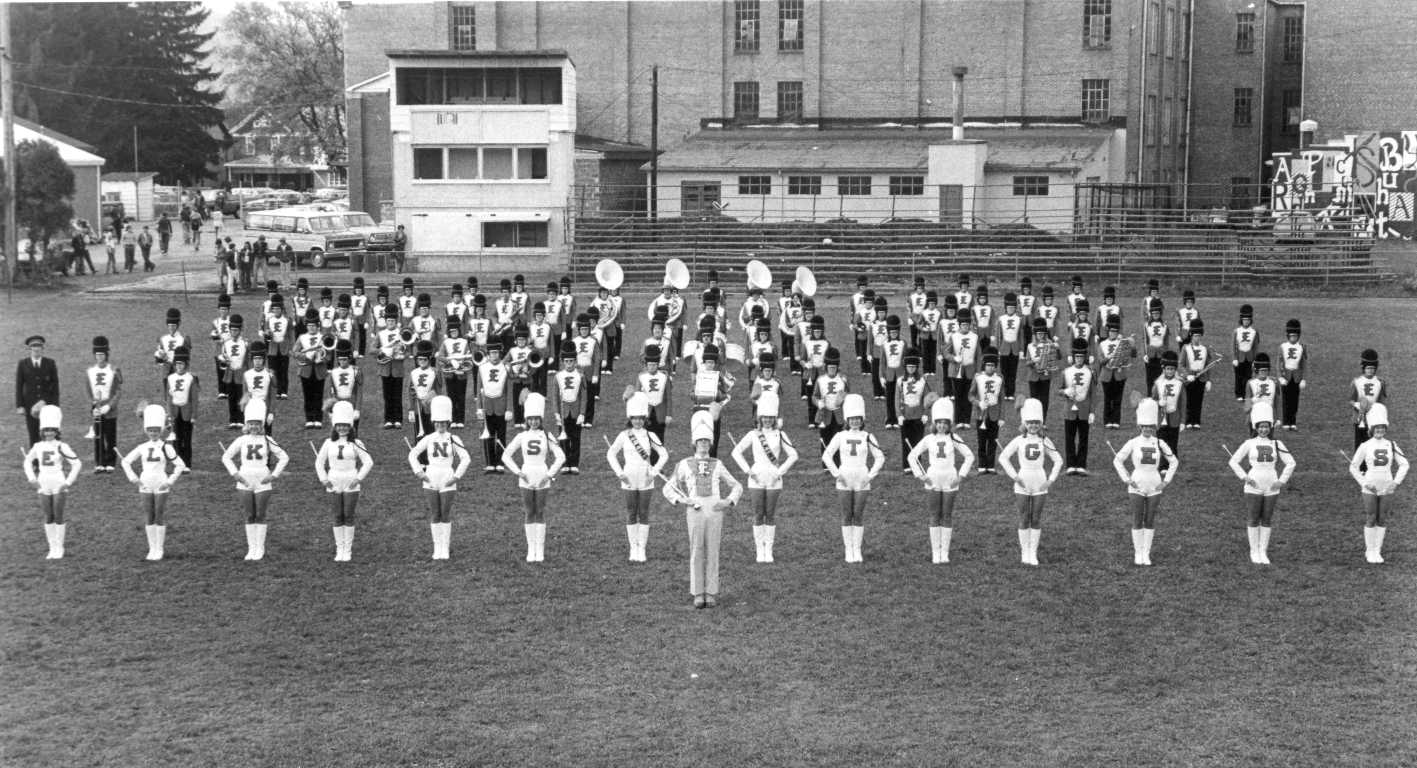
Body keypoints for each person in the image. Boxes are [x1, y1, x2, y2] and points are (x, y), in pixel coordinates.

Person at [662, 411, 743, 609]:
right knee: (696, 550)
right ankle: (698, 592)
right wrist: (682, 500)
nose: (704, 445)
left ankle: (711, 592)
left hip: (715, 509)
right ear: (694, 443)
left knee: (713, 551)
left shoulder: (718, 464)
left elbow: (737, 486)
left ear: (711, 443)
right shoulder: (684, 464)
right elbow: (667, 488)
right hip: (695, 510)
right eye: (700, 441)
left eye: (707, 441)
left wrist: (728, 501)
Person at [730, 391, 799, 563]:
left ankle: (769, 549)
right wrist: (748, 470)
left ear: (774, 418)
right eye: (764, 417)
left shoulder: (780, 434)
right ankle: (759, 550)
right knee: (758, 514)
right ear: (759, 418)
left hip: (774, 478)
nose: (767, 420)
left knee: (770, 514)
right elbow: (736, 452)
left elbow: (794, 455)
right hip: (756, 477)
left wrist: (779, 472)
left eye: (770, 417)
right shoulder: (753, 434)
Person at [907, 396, 975, 563]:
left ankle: (944, 551)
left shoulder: (954, 438)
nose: (942, 425)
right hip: (933, 479)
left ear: (949, 424)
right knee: (934, 515)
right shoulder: (929, 439)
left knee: (947, 515)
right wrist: (921, 475)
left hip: (950, 478)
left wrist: (960, 476)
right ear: (934, 423)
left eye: (945, 422)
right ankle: (935, 551)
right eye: (939, 422)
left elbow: (969, 456)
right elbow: (912, 456)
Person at [220, 399, 289, 561]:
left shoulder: (267, 440)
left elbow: (284, 457)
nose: (254, 427)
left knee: (260, 515)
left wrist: (273, 475)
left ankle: (260, 547)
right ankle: (251, 548)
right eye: (251, 424)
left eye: (257, 424)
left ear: (262, 424)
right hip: (244, 479)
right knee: (250, 515)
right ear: (246, 424)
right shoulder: (241, 440)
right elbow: (226, 457)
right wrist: (235, 474)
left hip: (262, 479)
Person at [1226, 402, 1294, 565]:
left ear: (1270, 427)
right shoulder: (1249, 443)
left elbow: (1291, 463)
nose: (1263, 429)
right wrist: (1244, 477)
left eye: (1266, 427)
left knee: (1267, 518)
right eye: (1261, 427)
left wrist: (1281, 481)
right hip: (1254, 485)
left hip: (1271, 485)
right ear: (1256, 428)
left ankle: (1263, 550)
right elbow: (1233, 461)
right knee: (1253, 518)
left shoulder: (1277, 444)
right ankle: (1253, 550)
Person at [1112, 398, 1178, 566]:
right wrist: (1127, 479)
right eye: (1145, 426)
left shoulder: (1159, 442)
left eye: (1150, 426)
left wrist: (1166, 481)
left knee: (1149, 520)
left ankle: (1146, 553)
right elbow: (1117, 460)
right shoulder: (1133, 442)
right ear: (1140, 426)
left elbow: (1174, 462)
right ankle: (1137, 552)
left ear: (1154, 427)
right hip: (1137, 483)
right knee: (1137, 519)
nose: (1148, 429)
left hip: (1155, 483)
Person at [502, 393, 567, 562]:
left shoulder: (547, 435)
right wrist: (518, 472)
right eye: (530, 419)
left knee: (540, 511)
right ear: (526, 419)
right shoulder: (521, 436)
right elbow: (506, 456)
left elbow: (561, 457)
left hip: (542, 475)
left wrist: (549, 474)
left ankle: (540, 548)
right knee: (529, 511)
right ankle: (531, 548)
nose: (533, 422)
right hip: (526, 475)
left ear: (541, 419)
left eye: (536, 419)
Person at [998, 398, 1063, 565]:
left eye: (1036, 422)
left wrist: (1050, 480)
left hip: (1040, 481)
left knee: (1036, 518)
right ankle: (1024, 551)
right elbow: (1003, 457)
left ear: (1040, 423)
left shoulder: (1044, 440)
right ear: (1024, 423)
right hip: (1023, 482)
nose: (1033, 425)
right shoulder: (1019, 440)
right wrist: (1014, 476)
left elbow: (1058, 460)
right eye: (1030, 422)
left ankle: (1033, 551)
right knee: (1024, 517)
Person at [821, 393, 885, 563]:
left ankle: (857, 549)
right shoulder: (840, 436)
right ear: (847, 420)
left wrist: (870, 476)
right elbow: (827, 456)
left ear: (862, 419)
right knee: (846, 514)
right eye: (852, 418)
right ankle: (848, 549)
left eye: (858, 418)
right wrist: (836, 474)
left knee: (858, 514)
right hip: (844, 478)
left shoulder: (868, 436)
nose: (855, 421)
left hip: (862, 478)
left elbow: (880, 457)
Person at [407, 395, 471, 560]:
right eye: (437, 423)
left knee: (445, 513)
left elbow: (466, 458)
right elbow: (412, 454)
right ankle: (437, 547)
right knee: (435, 513)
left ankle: (445, 547)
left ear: (447, 423)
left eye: (443, 423)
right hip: (431, 477)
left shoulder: (453, 439)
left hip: (447, 476)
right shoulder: (428, 438)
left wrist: (456, 476)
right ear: (434, 423)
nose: (440, 426)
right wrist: (419, 473)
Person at [606, 392, 668, 562]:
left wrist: (654, 473)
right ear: (630, 418)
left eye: (641, 418)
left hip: (646, 478)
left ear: (645, 418)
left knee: (644, 512)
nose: (638, 421)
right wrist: (620, 473)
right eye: (635, 418)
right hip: (629, 478)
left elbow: (664, 455)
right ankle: (633, 548)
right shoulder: (624, 435)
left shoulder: (650, 435)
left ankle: (642, 548)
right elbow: (611, 454)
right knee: (631, 512)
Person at [121, 404, 186, 560]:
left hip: (161, 482)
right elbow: (125, 462)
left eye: (156, 431)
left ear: (161, 431)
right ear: (146, 431)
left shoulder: (166, 447)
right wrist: (134, 478)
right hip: (145, 483)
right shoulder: (142, 447)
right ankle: (152, 548)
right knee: (149, 515)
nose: (153, 433)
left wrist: (170, 481)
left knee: (159, 515)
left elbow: (180, 464)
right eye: (150, 430)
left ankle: (160, 548)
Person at [1349, 403, 1409, 563]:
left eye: (1382, 428)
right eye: (1377, 428)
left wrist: (1395, 483)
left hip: (1387, 486)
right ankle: (1369, 550)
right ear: (1371, 430)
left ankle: (1377, 550)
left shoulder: (1391, 445)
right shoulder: (1365, 446)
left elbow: (1404, 464)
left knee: (1382, 518)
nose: (1380, 431)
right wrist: (1364, 483)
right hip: (1370, 486)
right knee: (1371, 517)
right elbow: (1353, 467)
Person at [315, 401, 373, 562]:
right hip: (334, 480)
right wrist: (324, 479)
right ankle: (339, 548)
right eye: (339, 425)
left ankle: (347, 549)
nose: (342, 428)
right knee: (337, 515)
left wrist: (358, 478)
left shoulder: (356, 443)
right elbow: (319, 462)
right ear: (334, 426)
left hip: (350, 480)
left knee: (348, 515)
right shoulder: (328, 443)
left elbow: (368, 461)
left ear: (350, 426)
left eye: (345, 425)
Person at [24, 405, 81, 558]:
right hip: (43, 482)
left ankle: (60, 547)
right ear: (42, 431)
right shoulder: (38, 446)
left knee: (58, 514)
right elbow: (27, 462)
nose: (49, 433)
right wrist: (32, 479)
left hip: (58, 481)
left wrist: (68, 482)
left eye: (52, 430)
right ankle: (52, 547)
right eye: (46, 430)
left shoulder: (62, 446)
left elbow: (77, 463)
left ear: (57, 431)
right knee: (48, 516)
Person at [85, 335, 123, 473]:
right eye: (97, 354)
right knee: (98, 436)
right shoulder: (89, 371)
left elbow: (118, 391)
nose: (99, 357)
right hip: (97, 407)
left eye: (102, 354)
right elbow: (88, 391)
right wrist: (94, 405)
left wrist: (110, 405)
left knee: (110, 436)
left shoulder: (114, 370)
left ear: (106, 355)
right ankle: (99, 461)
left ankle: (111, 461)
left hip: (109, 408)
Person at [16, 334, 60, 447]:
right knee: (33, 433)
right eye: (34, 346)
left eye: (39, 346)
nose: (36, 349)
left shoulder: (50, 363)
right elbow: (19, 385)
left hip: (47, 404)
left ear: (42, 348)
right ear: (29, 348)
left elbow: (55, 386)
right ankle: (35, 463)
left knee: (48, 432)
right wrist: (20, 405)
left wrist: (53, 404)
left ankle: (50, 462)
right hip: (30, 404)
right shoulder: (23, 364)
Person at [1059, 338, 1095, 476]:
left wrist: (1092, 411)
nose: (1079, 359)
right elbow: (1059, 389)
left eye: (1081, 357)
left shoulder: (1090, 372)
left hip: (1084, 409)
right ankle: (1070, 464)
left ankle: (1081, 464)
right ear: (1073, 357)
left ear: (1084, 357)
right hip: (1069, 410)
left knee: (1083, 438)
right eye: (1077, 356)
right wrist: (1065, 392)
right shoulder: (1066, 372)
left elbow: (1093, 394)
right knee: (1069, 437)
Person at [551, 340, 588, 473]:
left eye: (571, 361)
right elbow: (554, 396)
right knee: (563, 438)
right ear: (563, 362)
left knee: (576, 438)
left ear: (575, 361)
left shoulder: (580, 376)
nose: (569, 364)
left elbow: (584, 396)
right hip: (563, 412)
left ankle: (574, 463)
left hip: (576, 412)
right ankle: (565, 463)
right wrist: (556, 413)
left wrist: (582, 414)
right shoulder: (557, 376)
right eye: (566, 361)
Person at [164, 347, 199, 470]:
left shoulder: (191, 378)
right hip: (174, 412)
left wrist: (194, 415)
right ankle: (178, 463)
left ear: (186, 365)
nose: (179, 366)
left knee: (186, 439)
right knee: (176, 438)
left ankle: (187, 463)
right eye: (177, 364)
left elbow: (194, 399)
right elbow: (168, 397)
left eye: (181, 364)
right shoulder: (170, 378)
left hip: (187, 412)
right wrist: (168, 414)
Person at [1276, 319, 1307, 430]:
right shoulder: (1282, 347)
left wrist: (1303, 379)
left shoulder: (1302, 347)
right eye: (1291, 336)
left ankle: (1293, 421)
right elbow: (1278, 363)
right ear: (1288, 336)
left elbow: (1304, 364)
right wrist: (1280, 376)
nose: (1293, 338)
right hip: (1286, 376)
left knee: (1295, 400)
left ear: (1298, 336)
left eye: (1295, 336)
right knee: (1286, 400)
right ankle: (1286, 422)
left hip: (1297, 377)